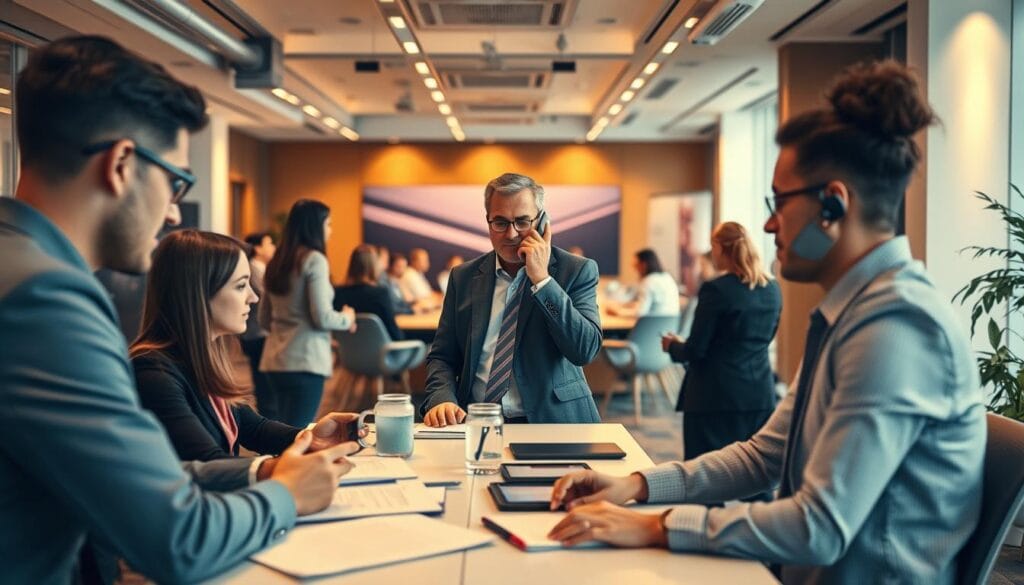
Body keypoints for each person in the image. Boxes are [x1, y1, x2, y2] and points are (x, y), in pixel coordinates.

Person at [547, 61, 984, 585]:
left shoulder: (897, 328)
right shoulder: (851, 314)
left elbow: (818, 527)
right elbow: (764, 455)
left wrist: (655, 526)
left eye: (779, 202)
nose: (768, 223)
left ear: (832, 204)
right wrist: (636, 485)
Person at [0, 36, 358, 584]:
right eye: (175, 183)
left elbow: (129, 476)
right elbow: (177, 540)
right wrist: (286, 495)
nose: (172, 213)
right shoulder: (46, 298)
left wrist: (267, 467)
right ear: (121, 163)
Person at [131, 230, 362, 461]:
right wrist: (283, 471)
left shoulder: (200, 359)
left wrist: (312, 437)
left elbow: (253, 429)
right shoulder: (154, 374)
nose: (253, 297)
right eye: (241, 286)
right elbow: (210, 463)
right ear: (199, 293)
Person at [422, 172, 602, 426]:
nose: (511, 234)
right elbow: (442, 356)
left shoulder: (575, 271)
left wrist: (542, 281)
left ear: (542, 222)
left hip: (551, 421)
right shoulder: (463, 277)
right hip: (477, 421)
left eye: (522, 221)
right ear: (488, 222)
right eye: (500, 222)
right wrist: (441, 397)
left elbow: (584, 349)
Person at [660, 222, 780, 500]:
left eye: (713, 246)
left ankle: (699, 539)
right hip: (757, 395)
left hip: (712, 397)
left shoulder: (717, 289)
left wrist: (672, 346)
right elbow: (765, 339)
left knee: (703, 481)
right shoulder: (772, 289)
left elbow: (696, 350)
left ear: (722, 249)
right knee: (757, 480)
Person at [260, 199, 356, 426]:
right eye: (329, 224)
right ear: (315, 226)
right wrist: (347, 318)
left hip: (274, 361)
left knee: (281, 432)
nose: (331, 230)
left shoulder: (276, 262)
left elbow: (263, 319)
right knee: (297, 435)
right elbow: (322, 316)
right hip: (305, 360)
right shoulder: (314, 260)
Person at [334, 244, 404, 341]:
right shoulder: (380, 293)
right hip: (384, 353)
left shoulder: (338, 293)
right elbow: (395, 334)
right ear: (373, 266)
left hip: (348, 354)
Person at [241, 230, 277, 418]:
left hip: (259, 331)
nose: (273, 247)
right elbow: (265, 298)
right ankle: (267, 417)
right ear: (257, 248)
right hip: (257, 332)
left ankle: (268, 415)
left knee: (263, 378)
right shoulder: (253, 269)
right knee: (263, 379)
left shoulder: (261, 269)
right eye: (269, 243)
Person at [607, 248, 680, 317]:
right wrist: (630, 305)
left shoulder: (648, 282)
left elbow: (640, 312)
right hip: (670, 327)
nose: (635, 270)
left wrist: (618, 312)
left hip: (652, 327)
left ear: (643, 265)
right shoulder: (667, 277)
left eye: (636, 265)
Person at [401, 247, 440, 312]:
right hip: (413, 313)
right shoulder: (410, 275)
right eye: (424, 260)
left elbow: (430, 295)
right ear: (414, 261)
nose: (427, 263)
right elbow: (425, 298)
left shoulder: (418, 273)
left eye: (427, 260)